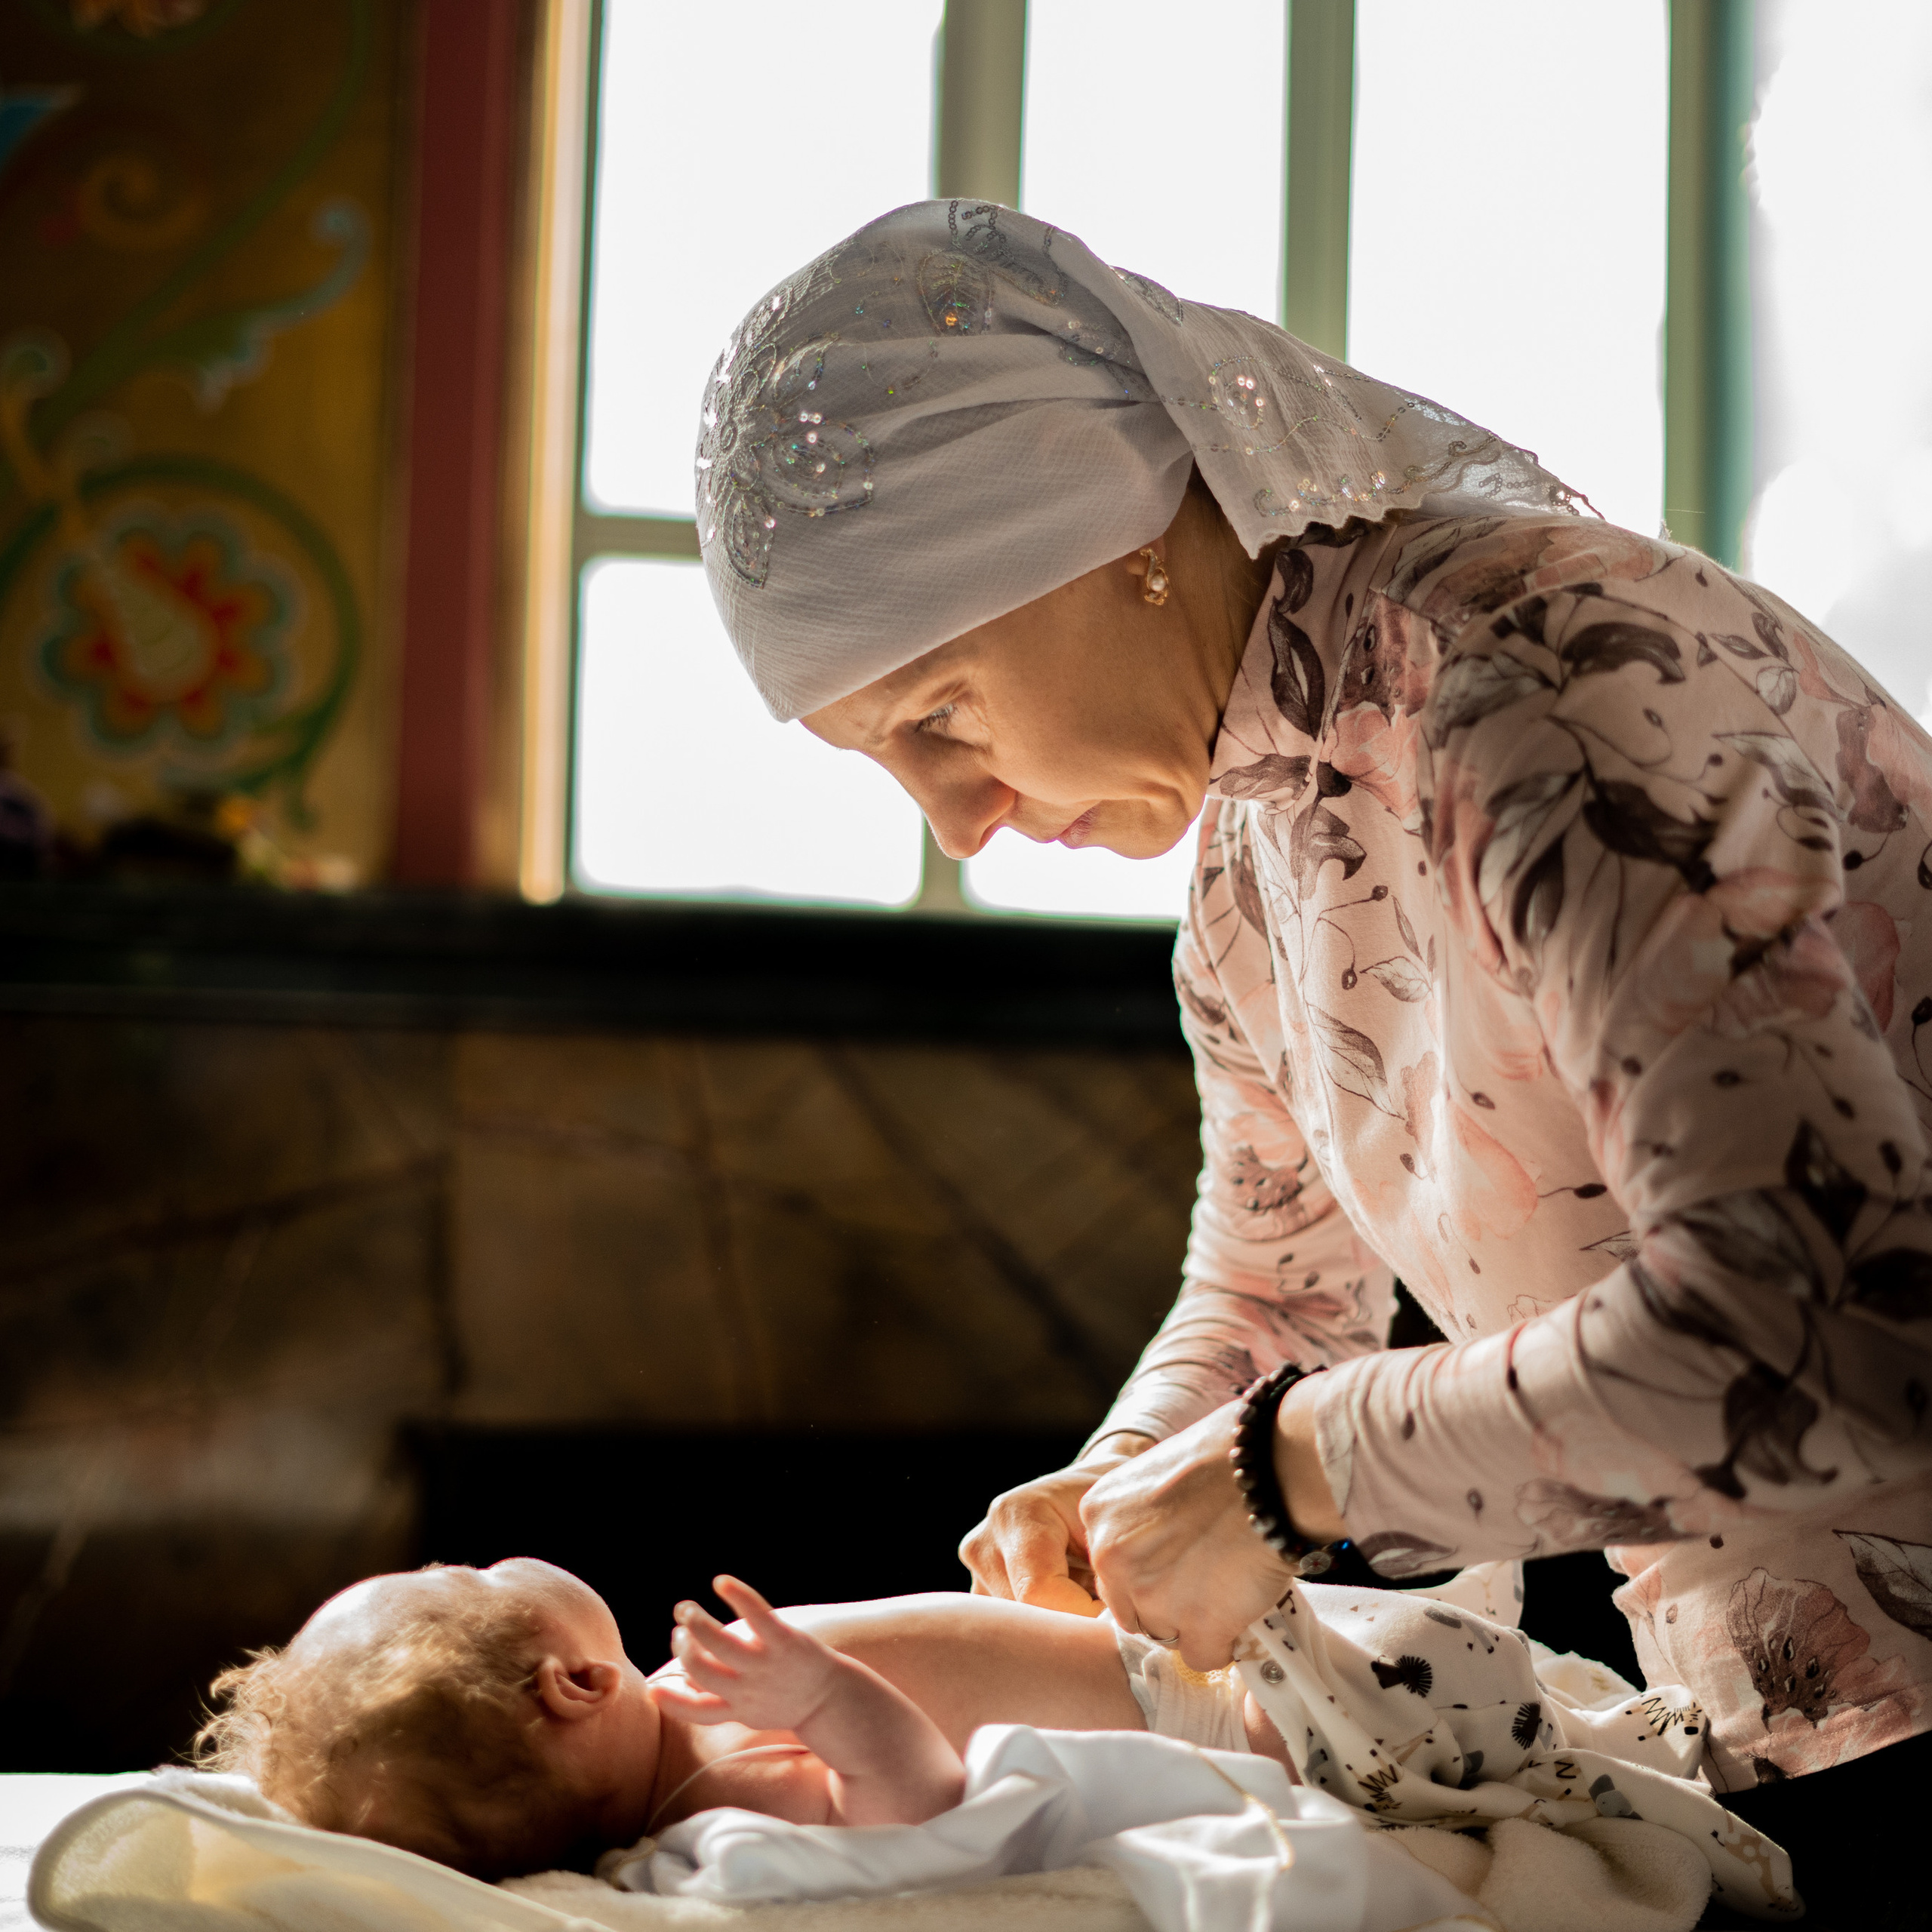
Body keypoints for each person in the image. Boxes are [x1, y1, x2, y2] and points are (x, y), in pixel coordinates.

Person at [694, 198, 1932, 1918]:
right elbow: (1272, 1288)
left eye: (943, 714)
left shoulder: (1539, 678)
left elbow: (1825, 1325)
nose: (957, 820)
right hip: (1792, 1720)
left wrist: (1275, 1470)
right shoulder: (1250, 844)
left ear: (1103, 533)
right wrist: (1122, 1484)